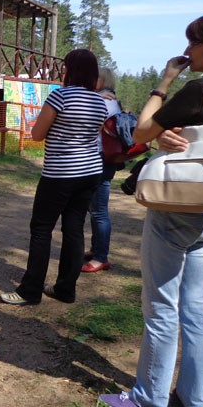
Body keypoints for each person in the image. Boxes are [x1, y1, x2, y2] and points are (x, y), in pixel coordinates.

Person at [99, 11, 203, 407]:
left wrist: (165, 81)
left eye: (194, 42)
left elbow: (141, 131)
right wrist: (168, 138)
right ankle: (194, 397)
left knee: (161, 305)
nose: (187, 49)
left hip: (179, 208)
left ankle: (149, 398)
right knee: (197, 307)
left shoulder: (202, 89)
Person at [0, 49, 107, 306]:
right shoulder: (99, 102)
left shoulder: (60, 97)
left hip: (60, 173)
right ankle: (65, 289)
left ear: (70, 70)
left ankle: (30, 290)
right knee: (74, 229)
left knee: (41, 229)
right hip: (90, 172)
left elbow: (37, 134)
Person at [82, 67, 121, 273]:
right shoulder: (105, 98)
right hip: (102, 158)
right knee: (94, 208)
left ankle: (100, 257)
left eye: (94, 77)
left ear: (103, 80)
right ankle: (97, 250)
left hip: (101, 158)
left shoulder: (105, 100)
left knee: (98, 211)